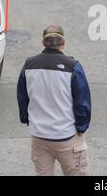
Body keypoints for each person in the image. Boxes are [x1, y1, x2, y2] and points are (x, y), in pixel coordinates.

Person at [17, 25, 91, 176]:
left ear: (43, 42)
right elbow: (82, 102)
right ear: (63, 43)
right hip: (67, 136)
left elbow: (22, 97)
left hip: (39, 137)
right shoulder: (73, 67)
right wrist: (81, 127)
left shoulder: (29, 65)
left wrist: (27, 119)